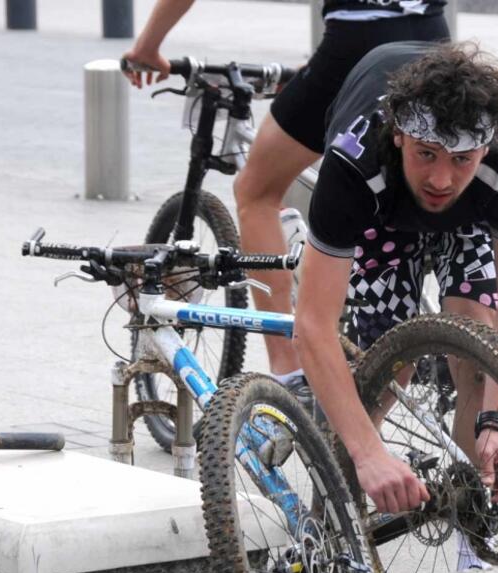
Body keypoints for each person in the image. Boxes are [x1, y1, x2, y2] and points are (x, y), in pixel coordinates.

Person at [123, 0, 449, 401]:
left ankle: (288, 367)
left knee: (255, 191)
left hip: (354, 43)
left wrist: (146, 48)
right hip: (435, 41)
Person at [294, 40, 498, 522]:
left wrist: (497, 418)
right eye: (427, 154)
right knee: (392, 362)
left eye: (461, 160)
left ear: (485, 148)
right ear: (402, 136)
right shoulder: (353, 162)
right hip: (380, 208)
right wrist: (368, 454)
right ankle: (340, 487)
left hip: (466, 219)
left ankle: (475, 504)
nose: (441, 179)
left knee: (475, 336)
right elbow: (313, 324)